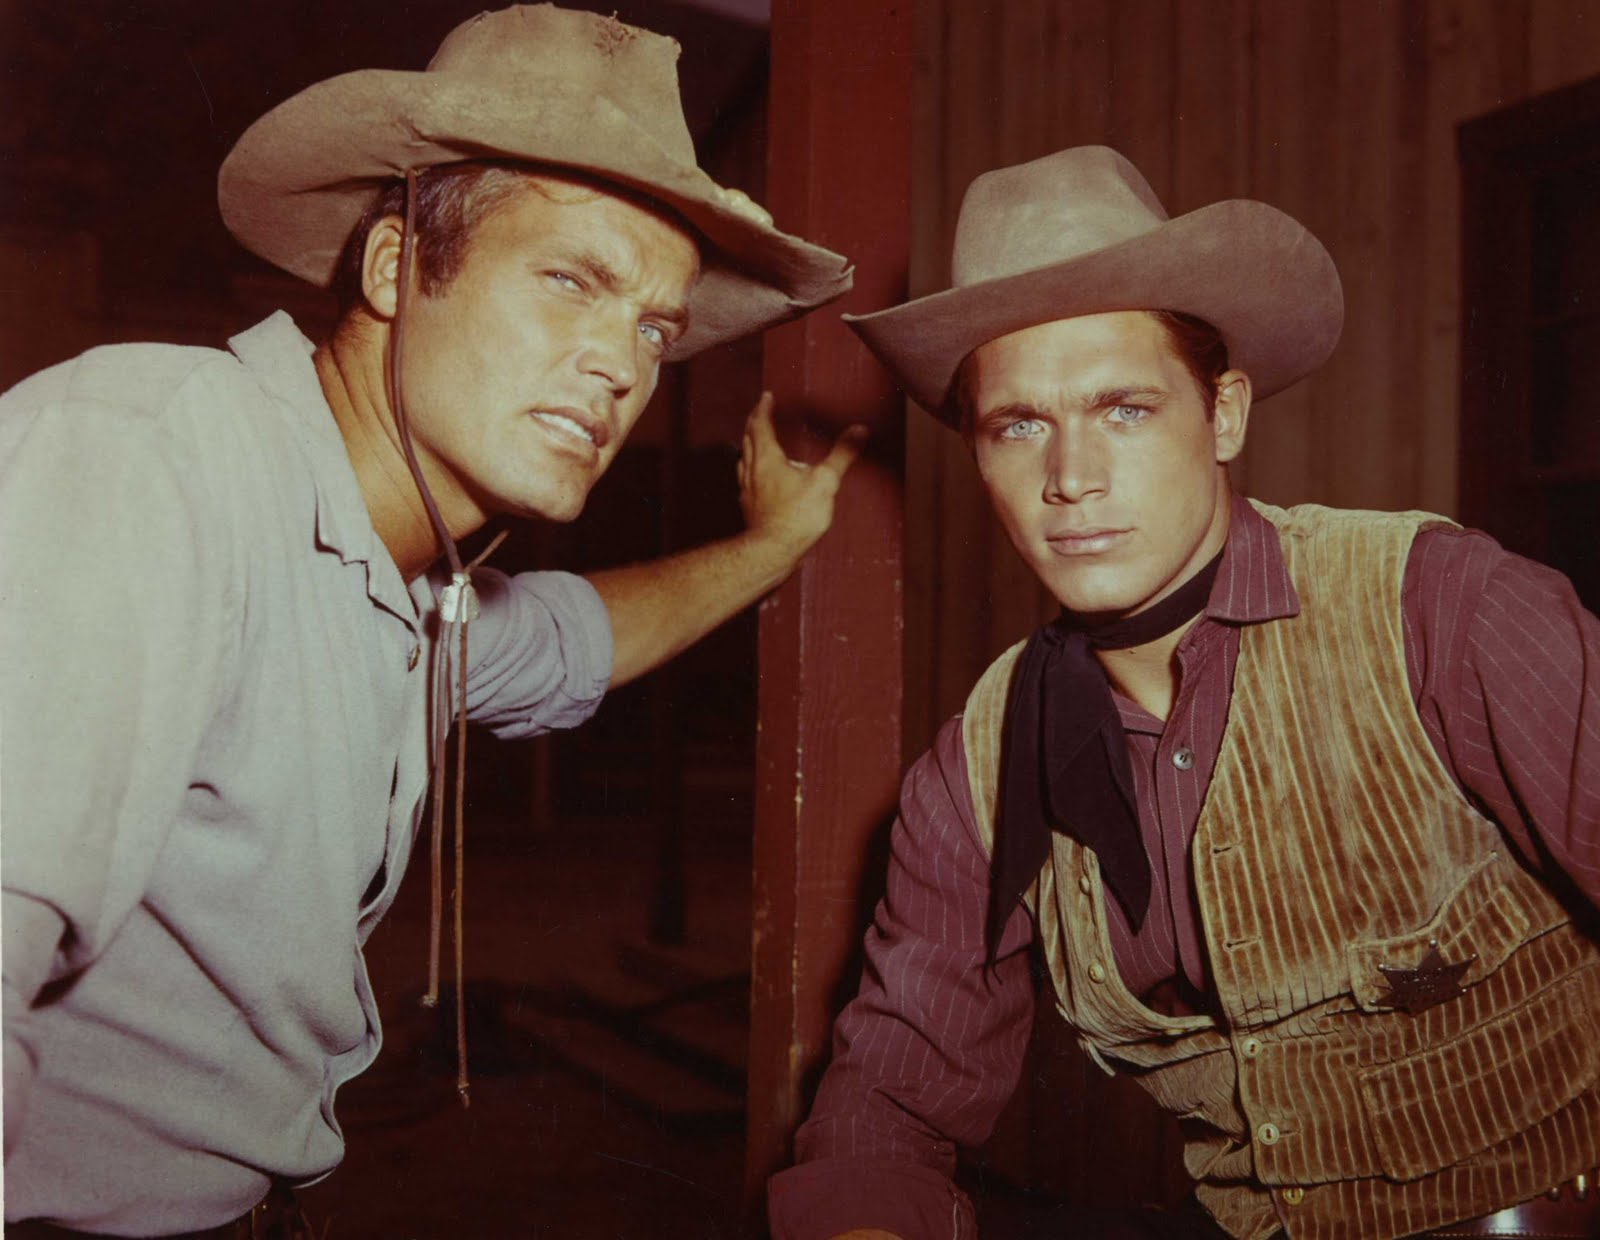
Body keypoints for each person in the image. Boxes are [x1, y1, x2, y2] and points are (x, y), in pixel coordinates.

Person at [1, 6, 863, 1236]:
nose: (621, 365)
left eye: (652, 326)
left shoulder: (396, 580)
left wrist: (774, 543)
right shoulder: (158, 463)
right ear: (395, 268)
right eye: (570, 280)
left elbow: (569, 639)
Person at [767, 146, 1600, 1240]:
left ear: (1224, 414)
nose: (1070, 477)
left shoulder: (1442, 611)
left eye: (1124, 409)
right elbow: (885, 1102)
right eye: (1019, 424)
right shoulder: (975, 774)